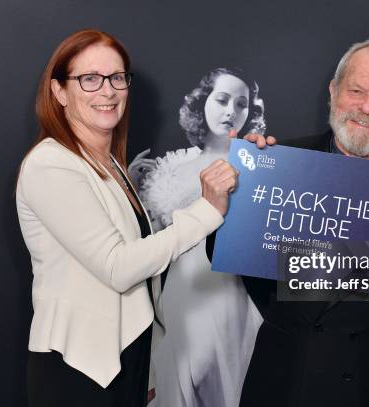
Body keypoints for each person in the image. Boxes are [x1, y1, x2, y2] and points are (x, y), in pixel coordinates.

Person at [206, 38, 369, 407]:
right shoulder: (283, 160)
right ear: (333, 92)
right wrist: (237, 195)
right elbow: (224, 252)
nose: (367, 108)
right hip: (283, 382)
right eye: (357, 91)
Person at [15, 29, 240, 407]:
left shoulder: (111, 164)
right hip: (78, 369)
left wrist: (147, 367)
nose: (108, 91)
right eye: (90, 79)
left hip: (124, 362)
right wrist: (206, 210)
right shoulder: (50, 163)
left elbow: (137, 278)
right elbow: (119, 267)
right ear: (59, 92)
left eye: (117, 78)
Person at [129, 68, 267, 407]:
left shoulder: (257, 164)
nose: (231, 111)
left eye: (241, 104)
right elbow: (146, 242)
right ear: (202, 102)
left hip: (230, 297)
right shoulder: (171, 168)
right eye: (221, 100)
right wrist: (130, 189)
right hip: (176, 299)